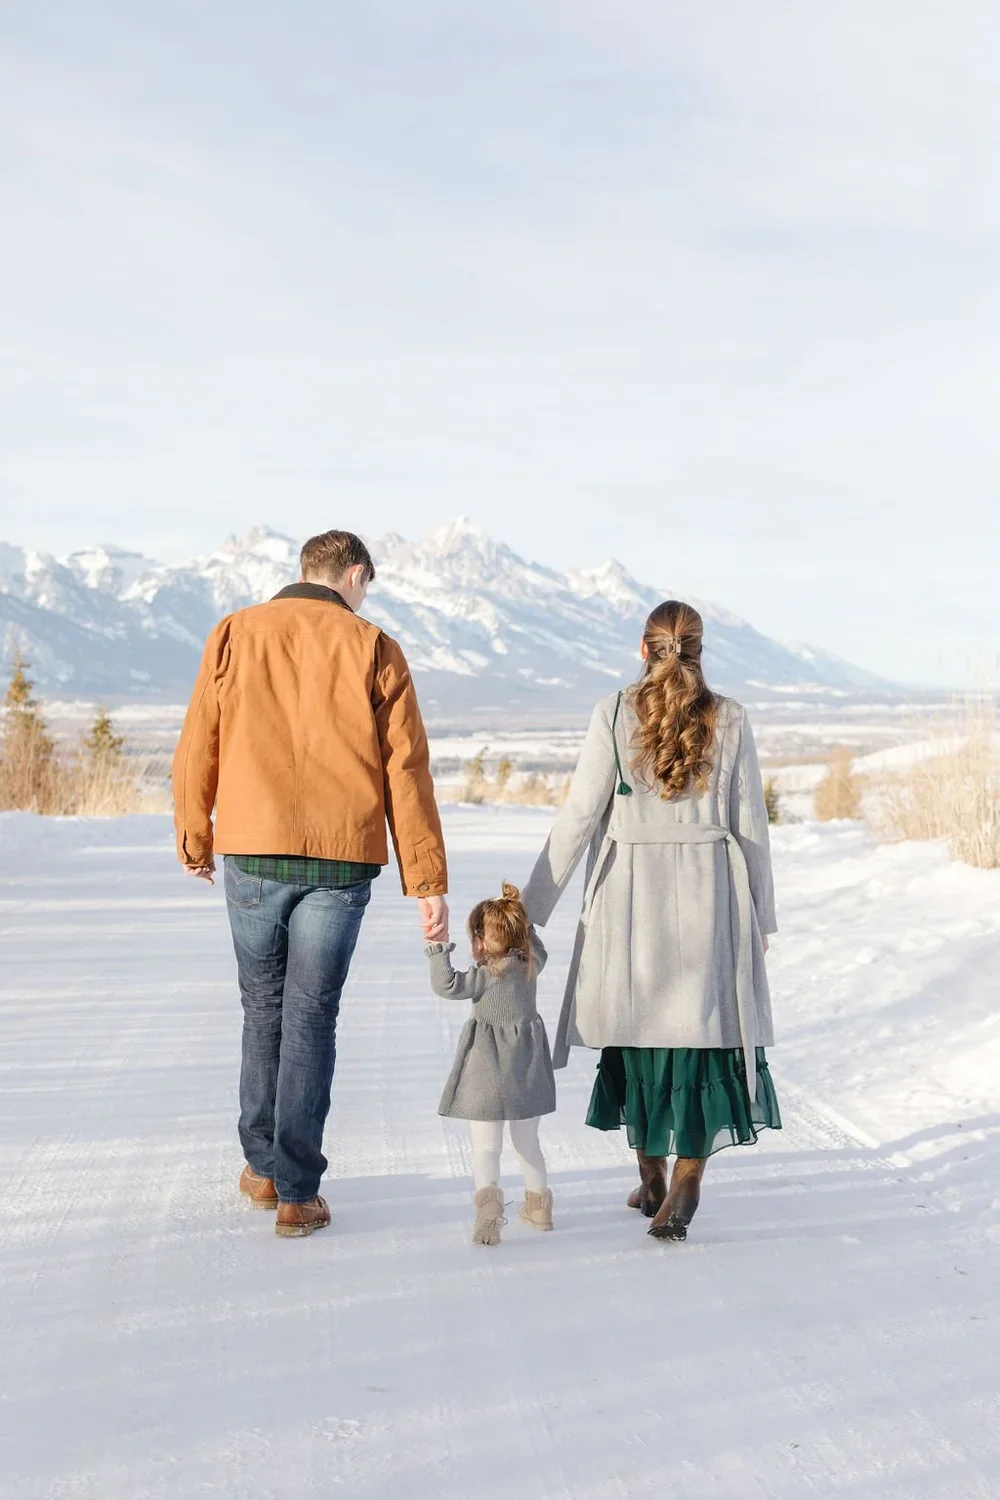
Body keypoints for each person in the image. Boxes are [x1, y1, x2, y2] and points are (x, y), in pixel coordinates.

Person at [172, 529, 448, 1238]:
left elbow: (198, 738)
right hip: (339, 860)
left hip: (253, 854)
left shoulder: (235, 632)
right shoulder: (374, 645)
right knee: (311, 1018)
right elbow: (406, 769)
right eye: (364, 586)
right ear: (353, 574)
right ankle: (297, 1192)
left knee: (262, 1008)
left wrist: (194, 835)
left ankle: (263, 1169)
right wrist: (426, 880)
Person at [521, 600, 781, 1242]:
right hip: (708, 890)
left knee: (637, 1029)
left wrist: (530, 912)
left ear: (644, 649)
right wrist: (762, 919)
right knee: (700, 1032)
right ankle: (689, 1174)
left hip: (630, 894)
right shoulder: (732, 717)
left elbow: (579, 816)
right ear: (699, 650)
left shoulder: (613, 713)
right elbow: (751, 829)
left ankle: (655, 1175)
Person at [428, 883, 556, 1245]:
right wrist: (524, 921)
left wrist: (438, 950)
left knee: (486, 1147)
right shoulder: (531, 967)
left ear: (480, 941)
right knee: (528, 1144)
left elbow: (447, 985)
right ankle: (540, 1207)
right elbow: (538, 947)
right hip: (525, 1075)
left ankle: (487, 1212)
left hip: (485, 1075)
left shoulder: (483, 976)